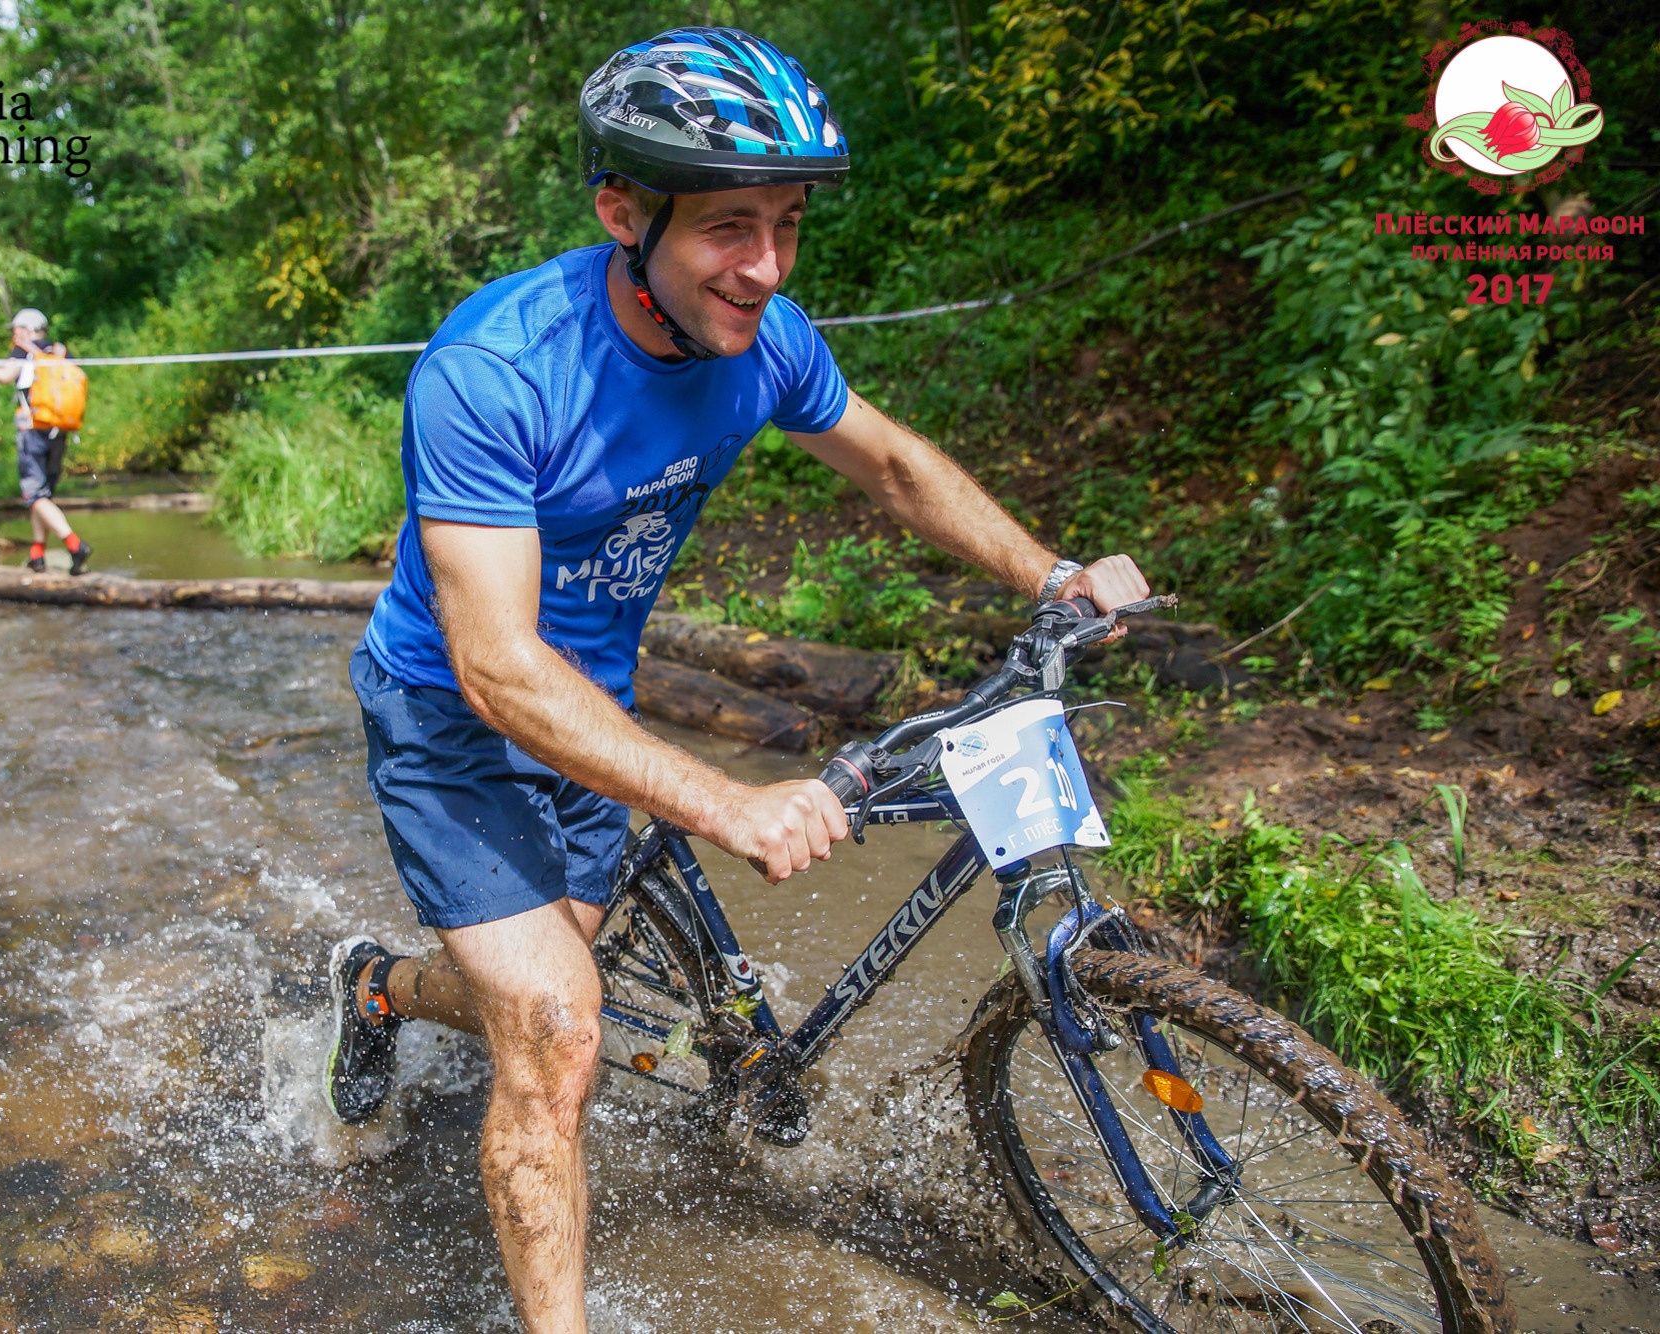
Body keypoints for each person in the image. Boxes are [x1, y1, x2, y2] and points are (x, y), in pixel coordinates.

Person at [325, 27, 1150, 1333]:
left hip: (591, 693)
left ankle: (379, 983)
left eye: (786, 224)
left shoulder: (764, 340)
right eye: (726, 227)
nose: (764, 266)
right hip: (456, 713)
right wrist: (725, 797)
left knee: (548, 995)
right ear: (622, 211)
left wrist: (1050, 575)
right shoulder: (493, 372)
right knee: (556, 1028)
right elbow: (494, 664)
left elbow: (890, 464)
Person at [0, 309, 92, 574]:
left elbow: (4, 376)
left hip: (32, 430)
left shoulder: (23, 351)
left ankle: (75, 545)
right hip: (60, 430)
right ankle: (38, 555)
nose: (13, 334)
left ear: (29, 328)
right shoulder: (60, 351)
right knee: (43, 497)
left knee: (34, 496)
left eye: (16, 328)